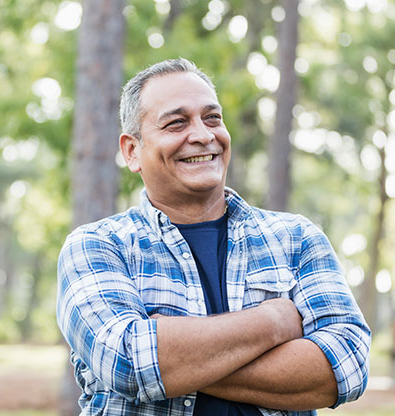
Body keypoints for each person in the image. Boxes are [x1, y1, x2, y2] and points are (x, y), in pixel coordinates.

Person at [56, 58, 370, 416]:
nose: (204, 135)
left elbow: (346, 366)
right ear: (131, 151)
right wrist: (275, 322)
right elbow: (127, 362)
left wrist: (174, 353)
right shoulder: (97, 246)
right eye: (176, 123)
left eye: (212, 118)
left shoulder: (296, 239)